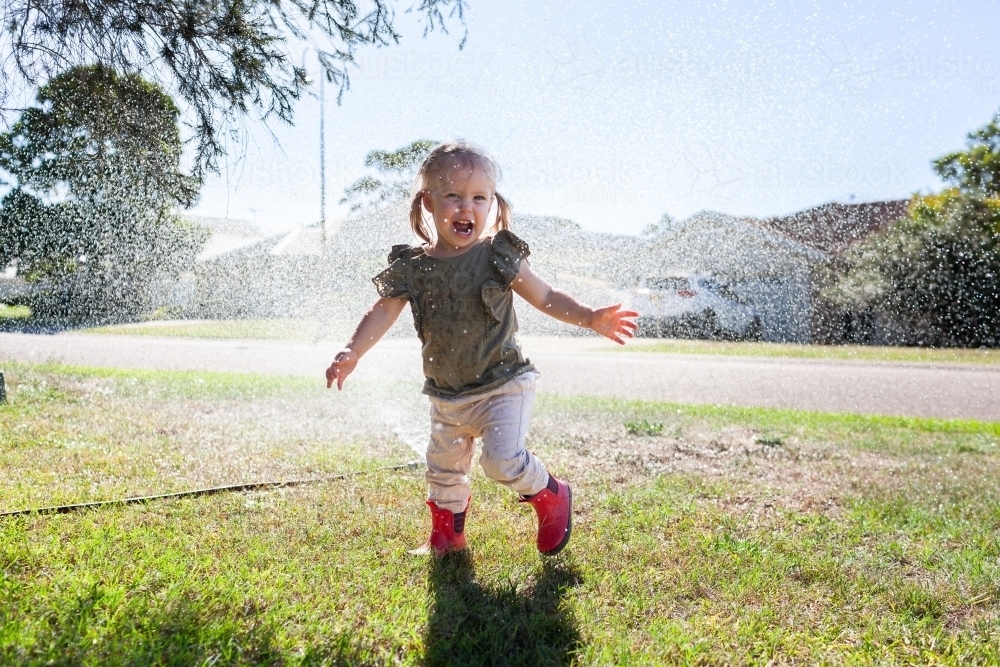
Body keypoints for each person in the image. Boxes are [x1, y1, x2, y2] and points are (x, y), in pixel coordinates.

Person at [326, 140, 638, 557]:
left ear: (493, 203)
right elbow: (382, 312)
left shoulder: (497, 257)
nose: (465, 207)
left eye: (478, 197)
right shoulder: (413, 267)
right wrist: (353, 351)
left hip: (503, 384)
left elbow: (546, 297)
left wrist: (589, 317)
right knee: (443, 471)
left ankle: (551, 495)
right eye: (452, 195)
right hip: (447, 394)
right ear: (428, 202)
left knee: (501, 461)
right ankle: (447, 537)